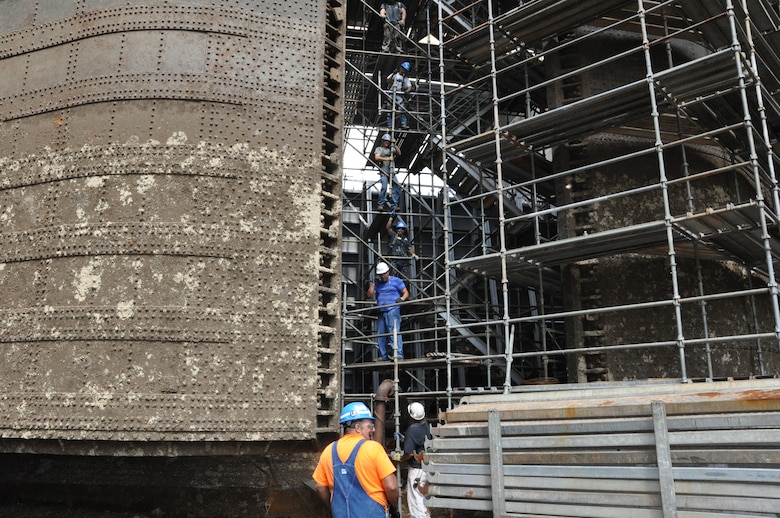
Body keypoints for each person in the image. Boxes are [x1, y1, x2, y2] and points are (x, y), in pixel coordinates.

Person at [313, 402, 399, 518]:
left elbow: (319, 486)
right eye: (370, 426)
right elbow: (391, 487)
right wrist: (394, 508)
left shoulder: (329, 450)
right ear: (358, 427)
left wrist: (332, 507)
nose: (373, 429)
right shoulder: (373, 448)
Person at [367, 261, 409, 360]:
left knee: (393, 330)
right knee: (381, 333)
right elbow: (369, 294)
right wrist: (373, 283)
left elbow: (405, 292)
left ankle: (398, 353)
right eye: (380, 275)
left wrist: (402, 299)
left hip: (392, 309)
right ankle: (383, 355)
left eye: (383, 275)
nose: (382, 277)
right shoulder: (378, 284)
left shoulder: (396, 281)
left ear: (387, 272)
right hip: (381, 310)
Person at [397, 402, 432, 518]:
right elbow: (419, 441)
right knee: (421, 497)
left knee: (415, 500)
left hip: (416, 469)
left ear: (411, 416)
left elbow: (408, 454)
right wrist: (405, 439)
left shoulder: (412, 429)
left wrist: (399, 459)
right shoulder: (425, 424)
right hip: (425, 467)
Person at [374, 133, 401, 211]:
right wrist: (388, 158)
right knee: (384, 187)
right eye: (385, 141)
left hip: (391, 172)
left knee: (396, 186)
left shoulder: (391, 150)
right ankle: (380, 204)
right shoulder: (379, 149)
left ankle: (394, 205)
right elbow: (377, 157)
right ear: (382, 141)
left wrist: (394, 144)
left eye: (388, 141)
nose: (387, 143)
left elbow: (399, 153)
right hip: (384, 172)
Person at [386, 62, 413, 130]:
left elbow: (409, 86)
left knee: (402, 109)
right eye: (403, 69)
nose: (404, 71)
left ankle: (404, 124)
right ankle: (390, 125)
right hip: (391, 94)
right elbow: (388, 81)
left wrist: (407, 91)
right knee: (390, 110)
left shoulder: (405, 78)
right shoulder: (395, 75)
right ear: (401, 68)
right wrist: (393, 74)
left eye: (405, 70)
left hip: (399, 94)